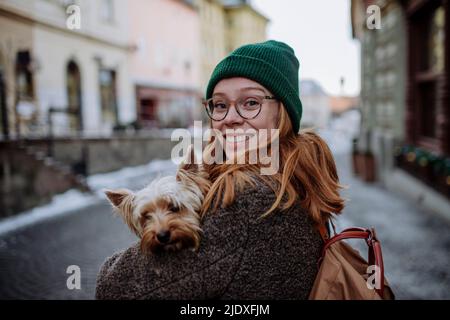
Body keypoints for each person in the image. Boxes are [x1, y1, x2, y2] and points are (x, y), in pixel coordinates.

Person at [95, 40, 346, 300]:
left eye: (250, 102)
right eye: (220, 105)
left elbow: (114, 288)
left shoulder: (248, 198)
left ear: (282, 112)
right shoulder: (293, 176)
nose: (230, 117)